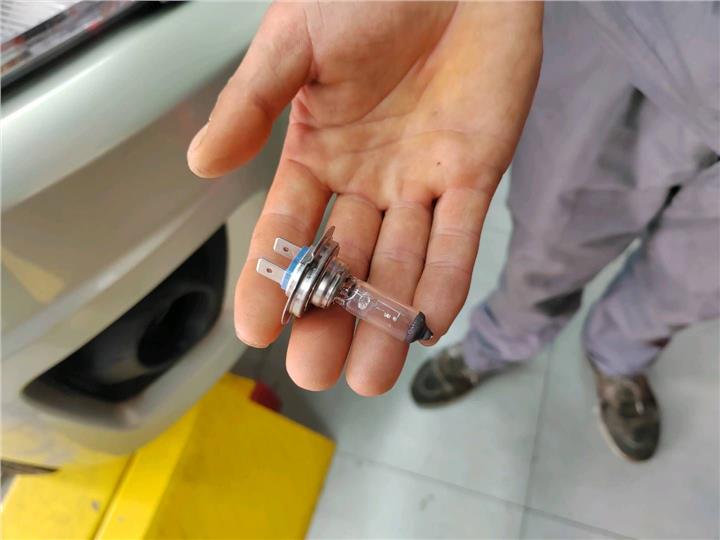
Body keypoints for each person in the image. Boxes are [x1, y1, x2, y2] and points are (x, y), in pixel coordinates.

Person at [187, 2, 719, 462]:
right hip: (639, 23)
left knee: (696, 279)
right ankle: (496, 344)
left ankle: (621, 356)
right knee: (556, 234)